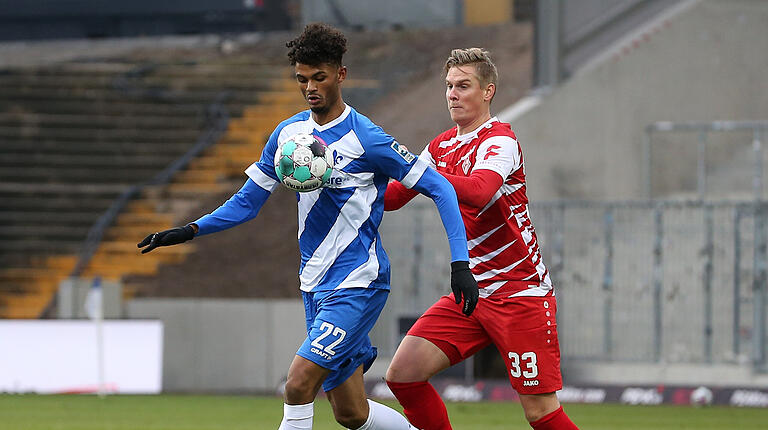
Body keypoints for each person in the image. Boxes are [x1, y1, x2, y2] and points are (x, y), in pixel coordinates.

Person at [137, 24, 479, 430]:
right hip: (314, 285)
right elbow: (247, 203)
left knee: (298, 385)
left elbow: (439, 187)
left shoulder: (366, 138)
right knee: (352, 413)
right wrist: (189, 230)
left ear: (340, 74)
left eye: (319, 77)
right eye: (302, 79)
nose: (310, 87)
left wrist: (461, 264)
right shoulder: (288, 135)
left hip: (358, 282)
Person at [383, 48, 579, 430]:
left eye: (463, 86)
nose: (452, 94)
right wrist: (344, 182)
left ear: (487, 91)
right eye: (449, 86)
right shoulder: (439, 147)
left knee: (540, 412)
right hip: (473, 292)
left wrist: (415, 170)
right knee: (403, 374)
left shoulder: (500, 141)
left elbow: (478, 190)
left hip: (520, 292)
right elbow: (392, 198)